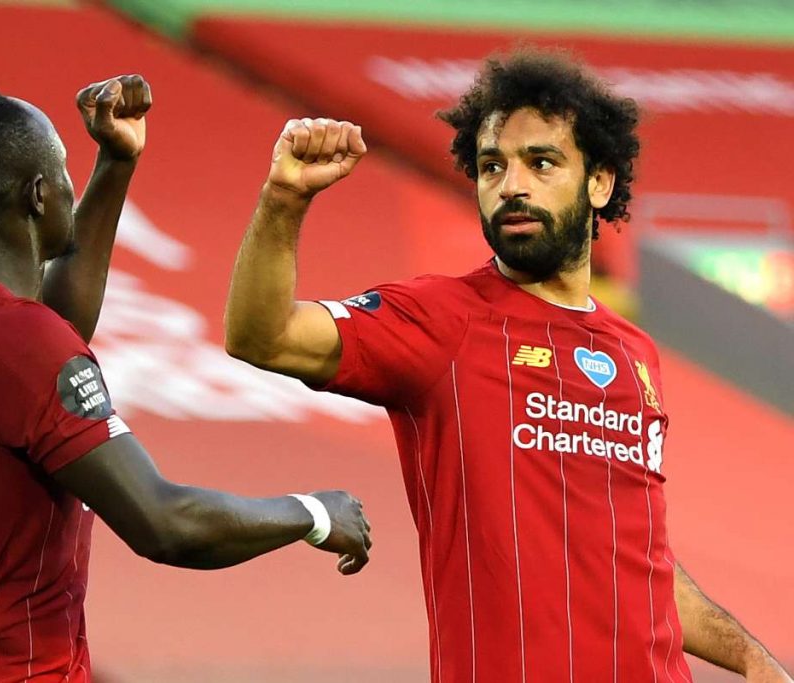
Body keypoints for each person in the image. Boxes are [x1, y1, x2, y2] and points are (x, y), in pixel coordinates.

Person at [224, 48, 791, 682]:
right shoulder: (440, 320)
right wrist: (284, 199)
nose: (512, 185)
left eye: (541, 162)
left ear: (599, 182)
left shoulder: (636, 354)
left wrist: (751, 658)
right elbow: (261, 336)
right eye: (492, 166)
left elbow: (640, 562)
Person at [0, 75, 371, 682]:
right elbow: (164, 524)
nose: (69, 184)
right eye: (62, 171)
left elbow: (52, 329)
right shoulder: (12, 339)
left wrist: (116, 160)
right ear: (37, 194)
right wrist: (313, 513)